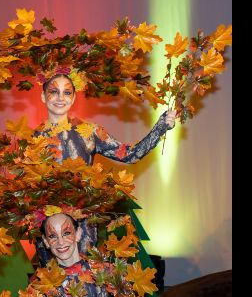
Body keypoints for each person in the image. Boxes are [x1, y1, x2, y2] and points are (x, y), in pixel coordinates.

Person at [33, 69, 176, 264]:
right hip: (47, 226)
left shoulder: (89, 133)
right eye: (53, 91)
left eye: (67, 92)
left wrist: (160, 127)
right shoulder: (32, 140)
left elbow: (130, 155)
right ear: (43, 96)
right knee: (53, 285)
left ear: (74, 98)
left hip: (82, 223)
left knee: (85, 281)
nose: (60, 98)